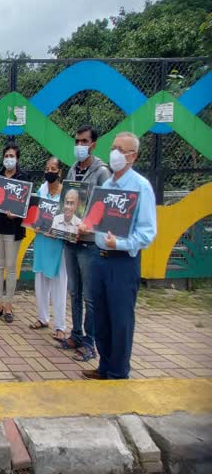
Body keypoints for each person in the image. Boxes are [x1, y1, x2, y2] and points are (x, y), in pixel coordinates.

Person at [80, 132, 157, 380]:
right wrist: (85, 225)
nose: (115, 153)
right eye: (113, 147)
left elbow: (147, 232)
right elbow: (94, 218)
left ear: (132, 156)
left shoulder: (140, 187)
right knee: (100, 314)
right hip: (99, 258)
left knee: (120, 318)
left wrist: (122, 243)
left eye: (120, 149)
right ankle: (104, 365)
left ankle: (118, 370)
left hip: (123, 262)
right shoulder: (106, 187)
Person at [58, 125, 111, 362]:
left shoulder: (102, 173)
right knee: (74, 291)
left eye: (84, 141)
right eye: (77, 141)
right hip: (70, 239)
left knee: (90, 296)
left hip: (89, 243)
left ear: (93, 144)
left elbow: (103, 206)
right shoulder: (72, 170)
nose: (79, 145)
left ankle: (90, 343)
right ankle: (76, 335)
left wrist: (86, 226)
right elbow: (66, 204)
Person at [0, 142, 29, 324]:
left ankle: (9, 305)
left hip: (14, 229)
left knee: (10, 267)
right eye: (7, 156)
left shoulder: (23, 178)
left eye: (12, 156)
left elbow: (25, 207)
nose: (9, 159)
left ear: (17, 159)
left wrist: (15, 213)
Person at [30, 157, 68, 340]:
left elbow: (71, 220)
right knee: (41, 281)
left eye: (53, 168)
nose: (49, 172)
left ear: (59, 172)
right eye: (47, 168)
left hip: (58, 243)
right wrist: (34, 224)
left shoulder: (66, 194)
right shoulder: (41, 190)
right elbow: (34, 214)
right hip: (42, 241)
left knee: (59, 285)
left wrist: (58, 231)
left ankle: (60, 326)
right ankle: (42, 318)